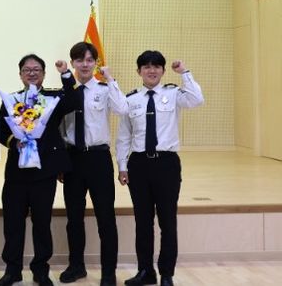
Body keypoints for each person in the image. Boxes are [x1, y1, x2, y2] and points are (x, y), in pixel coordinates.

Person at [116, 51, 204, 286]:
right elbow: (124, 136)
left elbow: (197, 99)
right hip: (139, 165)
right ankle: (145, 271)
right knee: (143, 222)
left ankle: (166, 273)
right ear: (139, 71)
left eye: (156, 66)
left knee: (167, 221)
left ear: (163, 71)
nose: (151, 70)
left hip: (166, 164)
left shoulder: (174, 94)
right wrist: (122, 166)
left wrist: (184, 73)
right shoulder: (130, 99)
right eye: (146, 66)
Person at [0, 54, 76, 286]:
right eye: (27, 70)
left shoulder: (52, 98)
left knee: (42, 223)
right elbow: (1, 131)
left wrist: (66, 74)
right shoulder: (11, 100)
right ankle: (12, 270)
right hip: (17, 172)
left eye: (36, 69)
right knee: (13, 223)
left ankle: (40, 270)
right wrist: (14, 142)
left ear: (43, 73)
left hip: (45, 172)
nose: (31, 73)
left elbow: (74, 101)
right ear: (20, 74)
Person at [59, 42, 128, 286]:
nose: (85, 65)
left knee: (106, 218)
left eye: (90, 60)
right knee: (74, 219)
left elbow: (123, 109)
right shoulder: (66, 93)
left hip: (98, 159)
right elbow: (60, 129)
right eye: (80, 60)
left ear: (96, 63)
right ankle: (76, 266)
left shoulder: (105, 89)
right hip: (73, 159)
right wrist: (61, 162)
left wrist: (110, 79)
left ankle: (109, 272)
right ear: (73, 63)